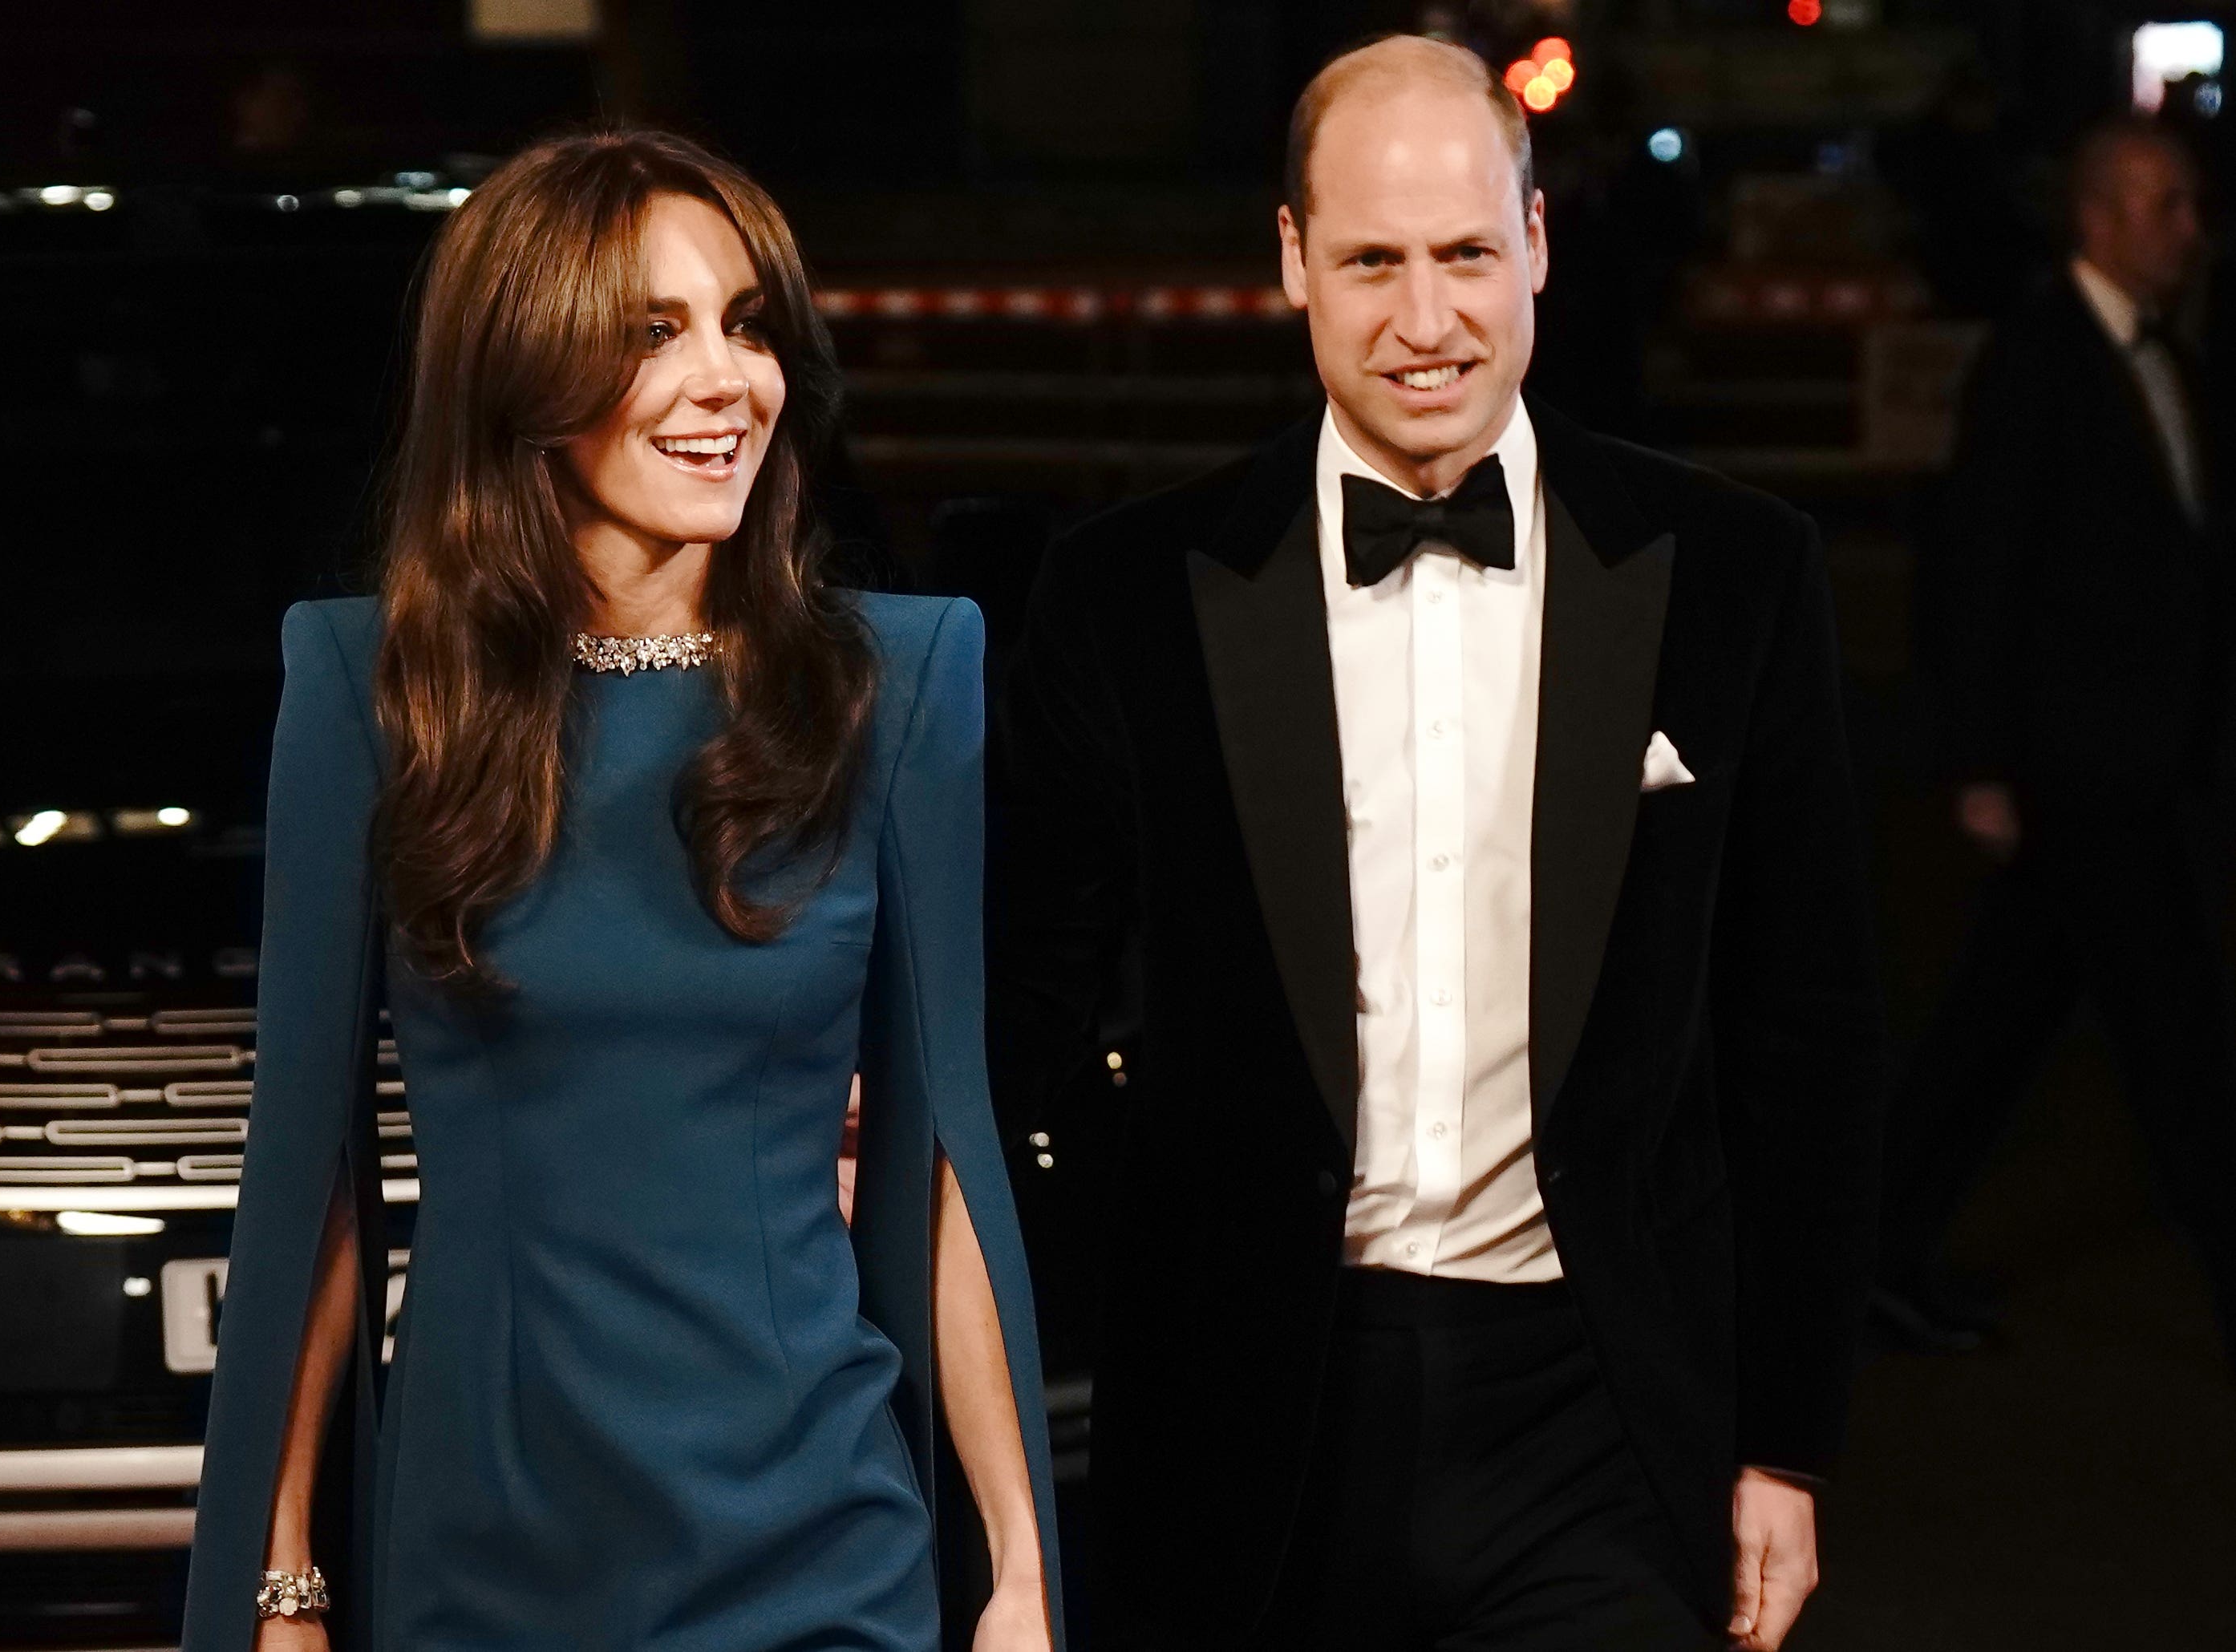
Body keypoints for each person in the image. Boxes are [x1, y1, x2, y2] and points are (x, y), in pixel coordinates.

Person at [989, 36, 1883, 1652]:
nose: (1425, 320)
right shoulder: (1127, 597)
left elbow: (1802, 1039)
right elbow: (1019, 1006)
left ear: (1536, 245)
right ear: (1291, 264)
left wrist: (1783, 1442)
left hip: (1598, 1404)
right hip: (1249, 1408)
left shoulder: (1737, 577)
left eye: (1468, 253)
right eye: (1373, 262)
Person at [184, 130, 1061, 1652]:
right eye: (654, 332)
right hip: (489, 1540)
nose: (728, 380)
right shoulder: (374, 693)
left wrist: (1020, 1571)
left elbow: (939, 1160)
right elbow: (307, 1171)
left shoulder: (894, 687)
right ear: (527, 367)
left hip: (814, 1531)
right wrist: (282, 1573)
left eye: (747, 321)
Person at [1878, 117, 2236, 1358]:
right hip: (2081, 767)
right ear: (2100, 217)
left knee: (1997, 1028)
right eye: (2168, 205)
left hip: (2121, 757)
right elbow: (1981, 566)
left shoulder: (2158, 361)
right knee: (2177, 1036)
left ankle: (1870, 1255)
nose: (2189, 230)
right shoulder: (2041, 361)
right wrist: (1978, 761)